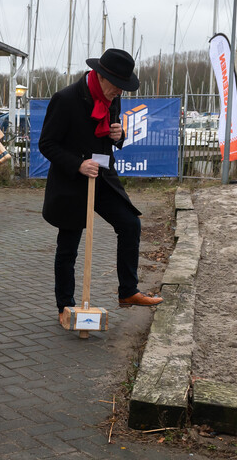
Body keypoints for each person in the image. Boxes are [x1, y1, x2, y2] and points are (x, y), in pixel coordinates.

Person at [37, 48, 163, 330]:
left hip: (103, 179)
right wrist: (78, 164)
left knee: (130, 224)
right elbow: (47, 144)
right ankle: (65, 306)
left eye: (122, 88)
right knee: (68, 246)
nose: (119, 92)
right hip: (71, 183)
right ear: (101, 76)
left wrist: (120, 136)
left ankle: (128, 291)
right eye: (116, 86)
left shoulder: (112, 99)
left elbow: (110, 134)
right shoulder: (66, 99)